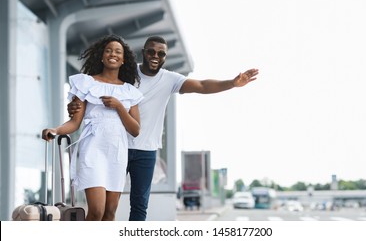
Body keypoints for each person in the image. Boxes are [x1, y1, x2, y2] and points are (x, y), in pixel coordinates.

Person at [68, 35, 259, 221]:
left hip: (146, 151)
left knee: (139, 204)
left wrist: (232, 83)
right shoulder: (126, 74)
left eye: (161, 54)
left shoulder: (170, 79)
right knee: (108, 207)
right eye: (151, 52)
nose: (155, 56)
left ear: (165, 57)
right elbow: (98, 90)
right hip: (117, 147)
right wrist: (74, 106)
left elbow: (201, 85)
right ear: (143, 52)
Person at [42, 34, 143, 221]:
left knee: (110, 213)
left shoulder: (130, 91)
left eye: (118, 52)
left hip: (117, 153)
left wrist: (119, 106)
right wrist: (55, 130)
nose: (113, 54)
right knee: (96, 211)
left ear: (123, 60)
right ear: (102, 56)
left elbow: (135, 130)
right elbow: (74, 123)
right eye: (109, 50)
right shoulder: (86, 83)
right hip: (93, 150)